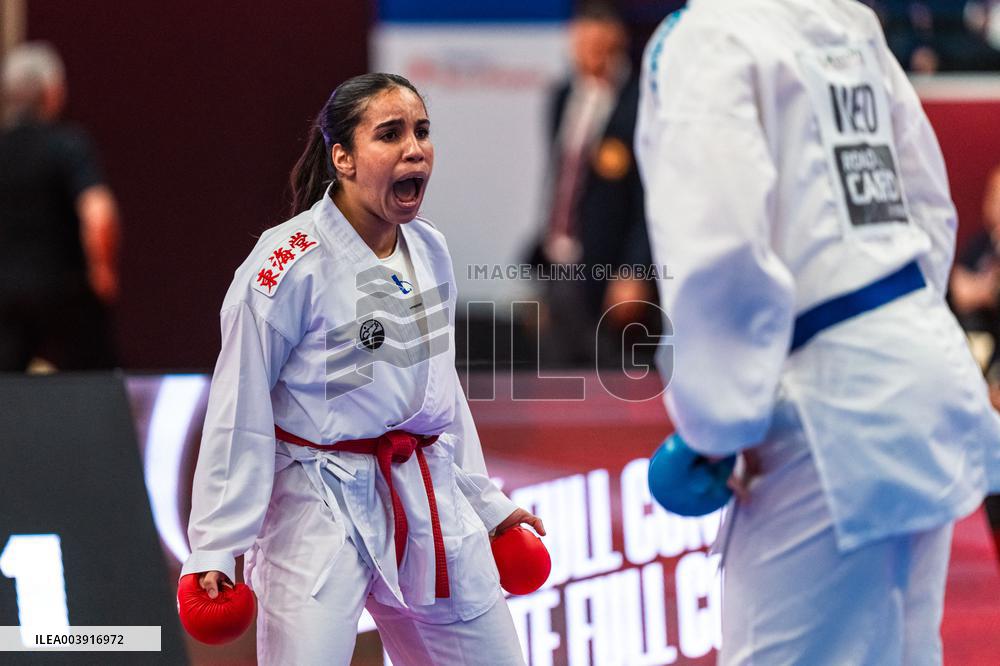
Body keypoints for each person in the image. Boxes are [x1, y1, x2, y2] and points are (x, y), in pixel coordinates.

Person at [636, 1, 1000, 664]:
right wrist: (905, 332)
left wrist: (719, 426)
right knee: (906, 650)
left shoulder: (705, 36)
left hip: (823, 403)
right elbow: (928, 204)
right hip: (921, 362)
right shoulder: (847, 20)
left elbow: (720, 251)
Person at [182, 73, 541, 665]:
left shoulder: (428, 249)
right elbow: (238, 407)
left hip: (423, 492)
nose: (414, 148)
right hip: (315, 502)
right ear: (342, 157)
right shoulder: (284, 265)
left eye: (422, 131)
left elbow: (439, 393)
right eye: (391, 134)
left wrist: (489, 505)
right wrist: (217, 546)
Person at [529, 1, 656, 368]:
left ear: (616, 43)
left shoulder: (639, 104)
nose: (590, 56)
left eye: (600, 47)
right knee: (556, 384)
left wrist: (635, 270)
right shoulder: (562, 96)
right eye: (583, 46)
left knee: (614, 388)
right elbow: (560, 180)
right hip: (559, 267)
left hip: (611, 274)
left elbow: (648, 198)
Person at [0, 42, 121, 371]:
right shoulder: (68, 145)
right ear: (52, 91)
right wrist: (102, 271)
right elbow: (98, 213)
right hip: (64, 292)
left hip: (5, 298)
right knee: (95, 385)